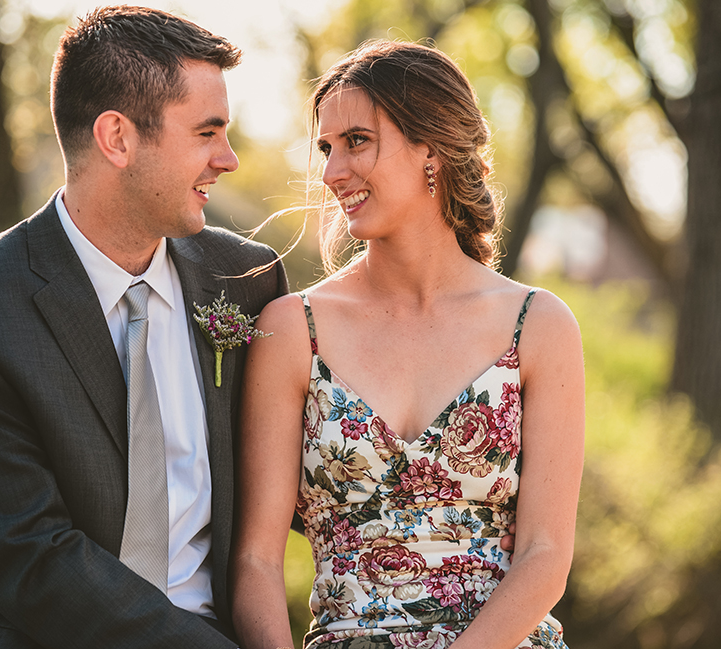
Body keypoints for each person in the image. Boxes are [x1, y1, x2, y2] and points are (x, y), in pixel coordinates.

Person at [0, 5, 286, 648]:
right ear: (117, 138)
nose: (230, 159)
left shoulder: (246, 281)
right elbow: (33, 559)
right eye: (206, 133)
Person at [231, 41, 584, 649]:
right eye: (325, 147)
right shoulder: (292, 330)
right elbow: (256, 562)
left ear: (431, 148)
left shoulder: (538, 326)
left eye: (357, 141)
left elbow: (545, 557)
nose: (330, 172)